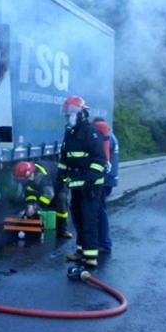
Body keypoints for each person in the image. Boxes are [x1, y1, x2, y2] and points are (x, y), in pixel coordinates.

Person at [58, 95, 107, 268]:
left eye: (71, 113)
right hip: (76, 186)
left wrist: (89, 181)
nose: (68, 117)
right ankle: (80, 251)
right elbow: (65, 158)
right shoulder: (70, 133)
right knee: (77, 219)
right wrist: (61, 177)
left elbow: (99, 160)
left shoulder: (92, 133)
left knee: (89, 220)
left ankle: (91, 256)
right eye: (67, 114)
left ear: (82, 114)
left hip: (90, 187)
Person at [12, 160, 72, 238]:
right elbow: (30, 192)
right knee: (37, 203)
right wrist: (30, 204)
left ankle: (62, 231)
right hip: (48, 184)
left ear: (30, 173)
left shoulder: (40, 176)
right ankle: (34, 223)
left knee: (61, 201)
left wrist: (35, 207)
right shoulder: (28, 177)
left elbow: (49, 194)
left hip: (59, 182)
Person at [92, 118, 118, 255]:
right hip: (109, 179)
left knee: (100, 212)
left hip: (105, 179)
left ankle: (104, 244)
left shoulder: (107, 138)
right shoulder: (111, 136)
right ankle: (102, 242)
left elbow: (101, 156)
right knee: (100, 210)